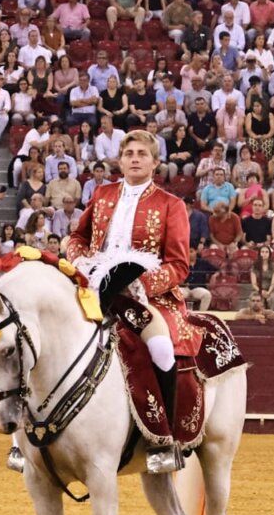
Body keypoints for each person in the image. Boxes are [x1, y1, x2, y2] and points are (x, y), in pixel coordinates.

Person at [66, 129, 197, 474]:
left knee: (161, 349)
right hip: (95, 289)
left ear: (155, 162)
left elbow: (179, 264)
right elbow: (77, 237)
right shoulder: (102, 193)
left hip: (147, 297)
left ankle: (165, 438)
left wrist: (142, 284)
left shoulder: (172, 204)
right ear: (120, 160)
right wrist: (80, 260)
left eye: (142, 153)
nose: (135, 158)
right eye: (129, 153)